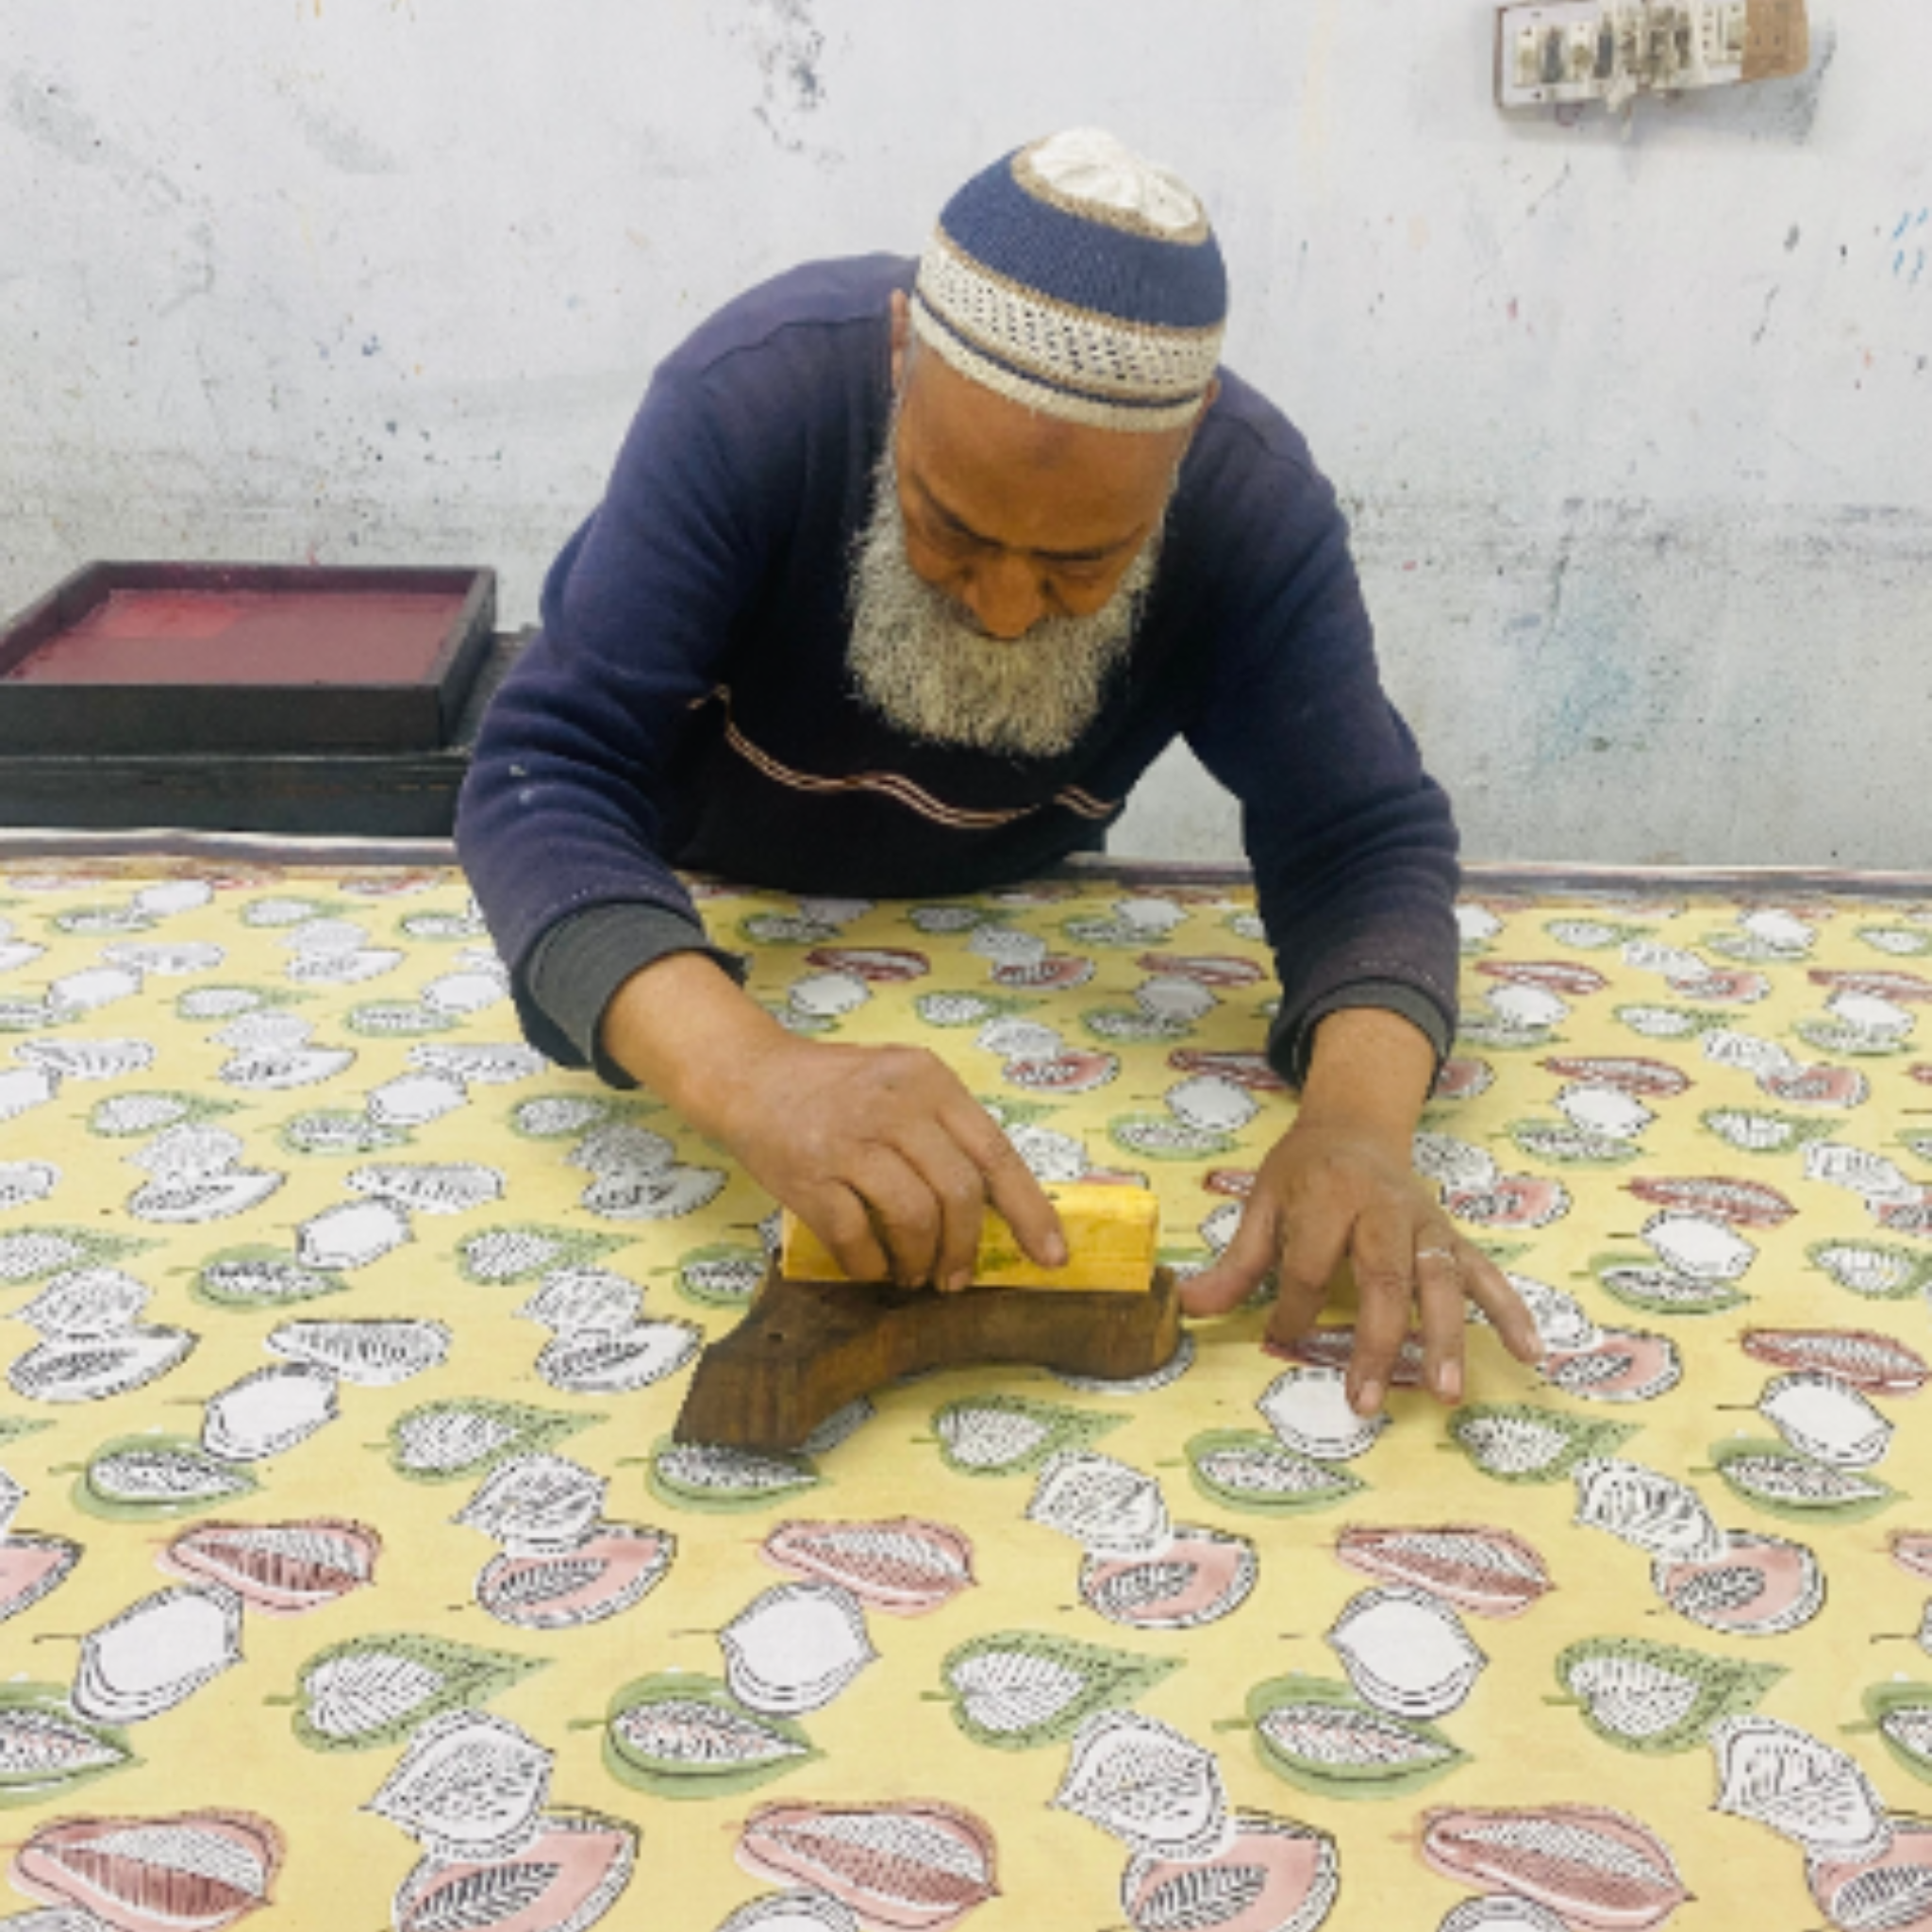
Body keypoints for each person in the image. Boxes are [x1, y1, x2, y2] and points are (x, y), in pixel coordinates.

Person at [456, 128, 1541, 1418]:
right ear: (902, 356)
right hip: (697, 929)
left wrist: (1356, 1128)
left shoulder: (1253, 508)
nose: (1009, 611)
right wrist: (750, 1074)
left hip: (1017, 933)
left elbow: (1363, 843)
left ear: (1186, 439)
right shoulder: (751, 401)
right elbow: (543, 775)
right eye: (951, 529)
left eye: (1085, 565)